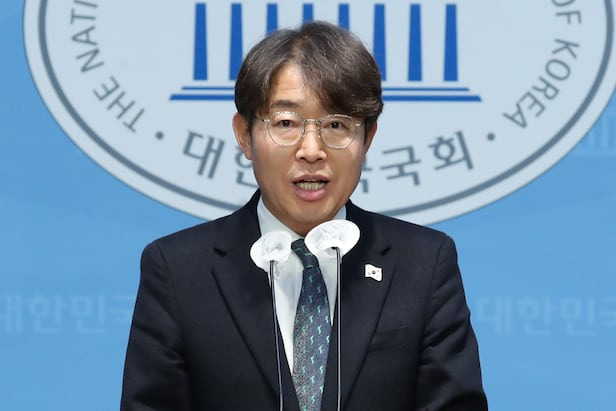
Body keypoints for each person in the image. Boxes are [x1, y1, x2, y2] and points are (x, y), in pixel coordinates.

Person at [121, 21, 487, 411]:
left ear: (368, 138)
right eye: (286, 123)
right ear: (244, 134)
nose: (311, 150)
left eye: (336, 125)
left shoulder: (424, 263)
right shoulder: (178, 270)